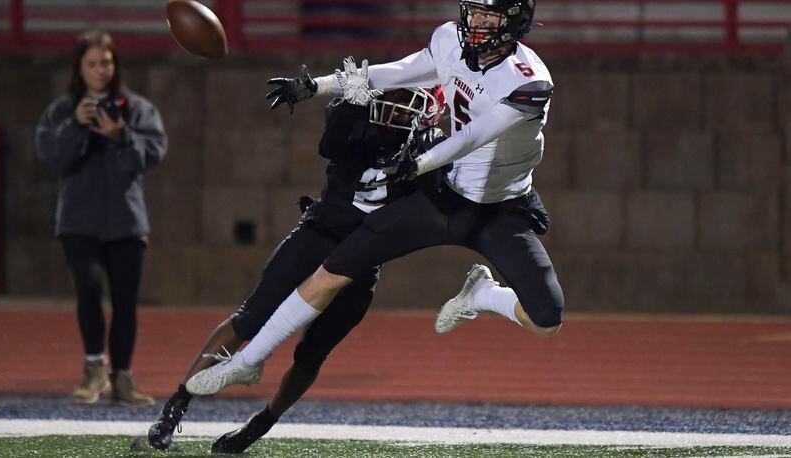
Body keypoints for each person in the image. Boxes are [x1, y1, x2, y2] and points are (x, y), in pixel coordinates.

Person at [185, 0, 565, 409]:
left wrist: (420, 162)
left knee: (546, 318)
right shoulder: (448, 41)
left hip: (499, 209)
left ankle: (482, 295)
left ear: (515, 22)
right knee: (334, 269)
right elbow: (399, 71)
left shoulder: (528, 80)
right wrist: (320, 86)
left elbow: (473, 137)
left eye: (491, 16)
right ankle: (249, 360)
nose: (479, 23)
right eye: (475, 12)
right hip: (443, 195)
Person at [146, 75, 447, 451]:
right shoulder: (357, 110)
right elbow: (330, 145)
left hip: (363, 259)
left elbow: (433, 202)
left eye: (408, 98)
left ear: (431, 109)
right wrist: (351, 106)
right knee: (250, 319)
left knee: (313, 353)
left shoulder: (431, 147)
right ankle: (177, 405)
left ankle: (259, 425)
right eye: (395, 94)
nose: (398, 105)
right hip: (318, 235)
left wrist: (430, 162)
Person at [35, 30, 167, 406]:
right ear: (80, 67)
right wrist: (77, 124)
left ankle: (122, 376)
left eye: (106, 62)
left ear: (115, 64)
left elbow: (149, 157)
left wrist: (121, 135)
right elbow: (53, 157)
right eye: (92, 63)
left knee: (125, 300)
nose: (100, 70)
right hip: (78, 220)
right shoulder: (63, 110)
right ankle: (93, 369)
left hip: (126, 220)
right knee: (89, 289)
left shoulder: (137, 108)